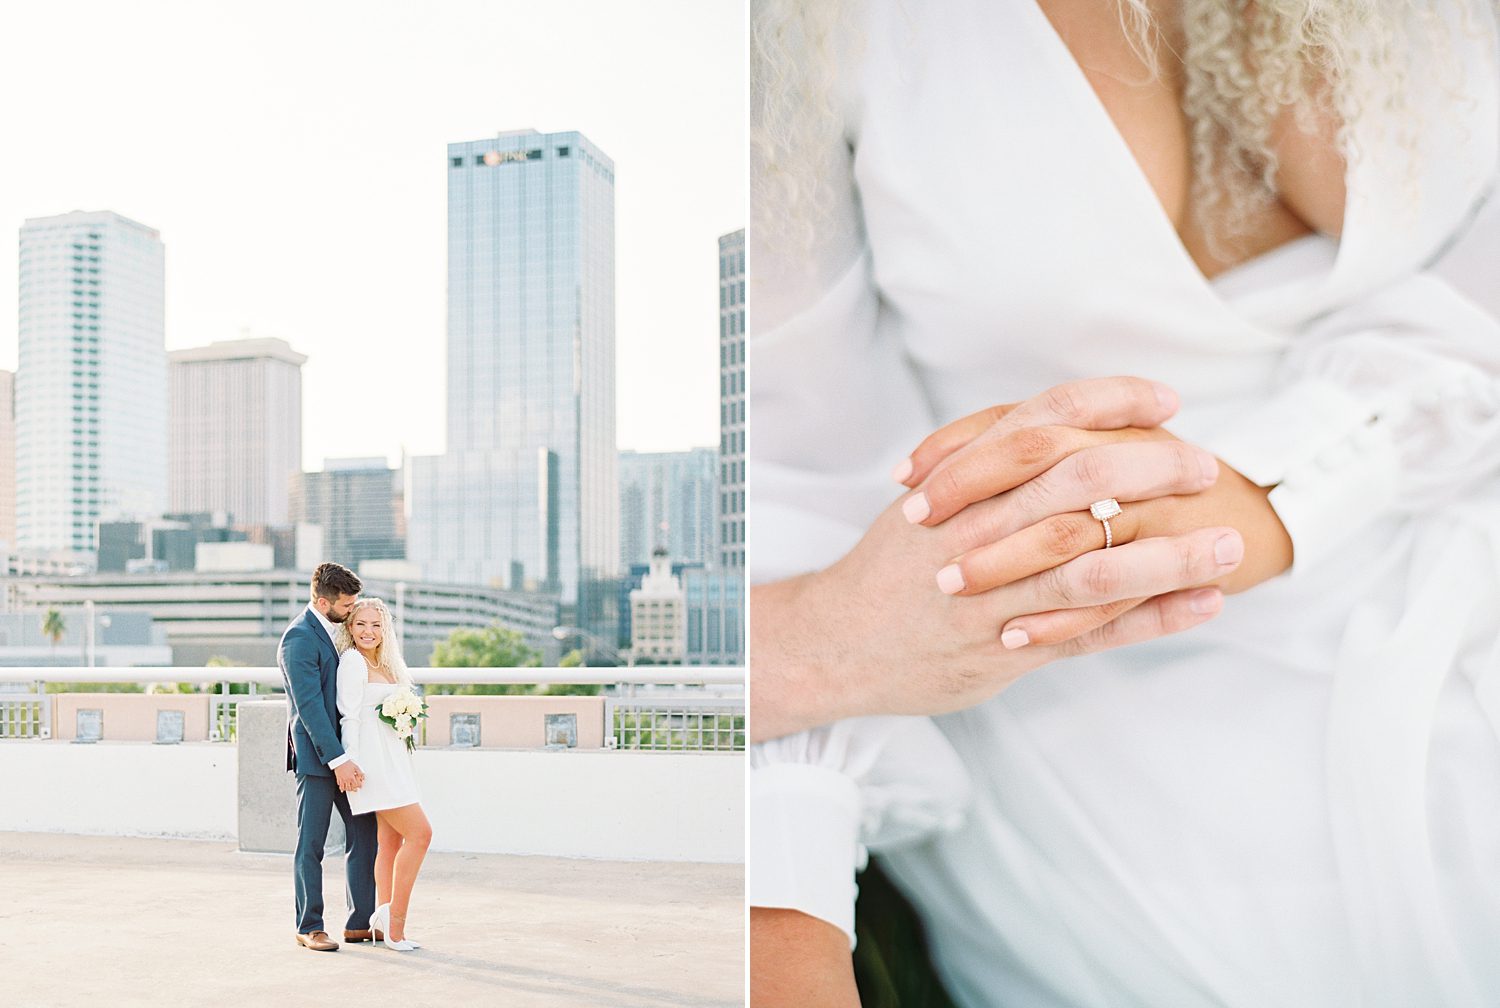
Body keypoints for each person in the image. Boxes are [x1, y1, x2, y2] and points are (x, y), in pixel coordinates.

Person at [748, 0, 1500, 1005]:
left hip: (1457, 472)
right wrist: (781, 896)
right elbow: (793, 525)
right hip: (1104, 673)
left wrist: (1286, 483)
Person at [281, 561, 378, 952]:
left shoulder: (332, 635)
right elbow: (310, 709)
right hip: (319, 760)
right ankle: (309, 926)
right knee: (312, 845)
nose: (351, 610)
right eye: (346, 604)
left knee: (365, 834)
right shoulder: (299, 638)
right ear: (323, 602)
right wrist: (338, 761)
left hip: (345, 758)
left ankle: (359, 923)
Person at [335, 597, 431, 952]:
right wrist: (350, 763)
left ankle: (380, 920)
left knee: (390, 843)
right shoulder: (352, 662)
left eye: (375, 625)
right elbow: (349, 717)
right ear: (350, 628)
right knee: (421, 834)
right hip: (372, 767)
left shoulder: (390, 665)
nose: (368, 631)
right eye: (360, 624)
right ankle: (396, 927)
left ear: (385, 629)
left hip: (396, 761)